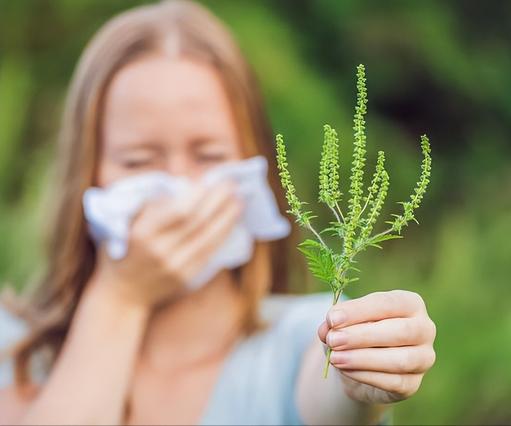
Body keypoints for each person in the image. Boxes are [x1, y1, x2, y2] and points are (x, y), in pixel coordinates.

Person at [0, 1, 437, 424]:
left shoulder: (307, 336)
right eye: (138, 161)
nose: (181, 188)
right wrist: (121, 296)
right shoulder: (13, 349)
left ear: (254, 160)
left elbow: (336, 395)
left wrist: (361, 376)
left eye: (208, 155)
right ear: (86, 171)